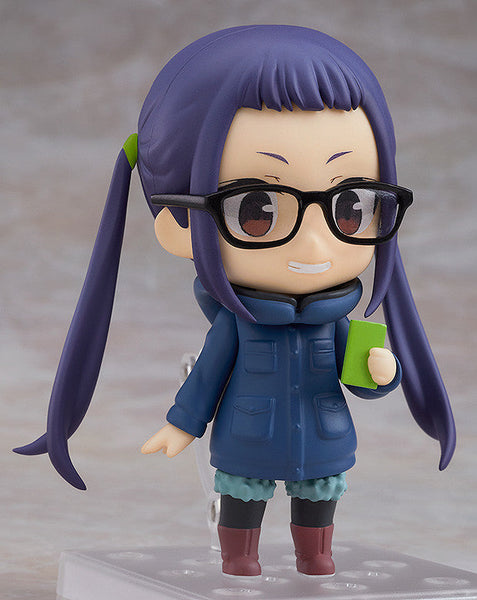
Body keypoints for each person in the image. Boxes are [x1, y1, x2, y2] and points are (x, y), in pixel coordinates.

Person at [15, 26, 456, 578]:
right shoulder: (238, 325)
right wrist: (182, 424)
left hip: (325, 439)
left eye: (349, 208)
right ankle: (239, 558)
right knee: (243, 497)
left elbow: (364, 382)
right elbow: (207, 375)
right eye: (257, 210)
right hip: (247, 438)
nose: (315, 244)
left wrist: (382, 371)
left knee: (320, 497)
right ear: (177, 222)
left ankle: (315, 555)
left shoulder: (337, 323)